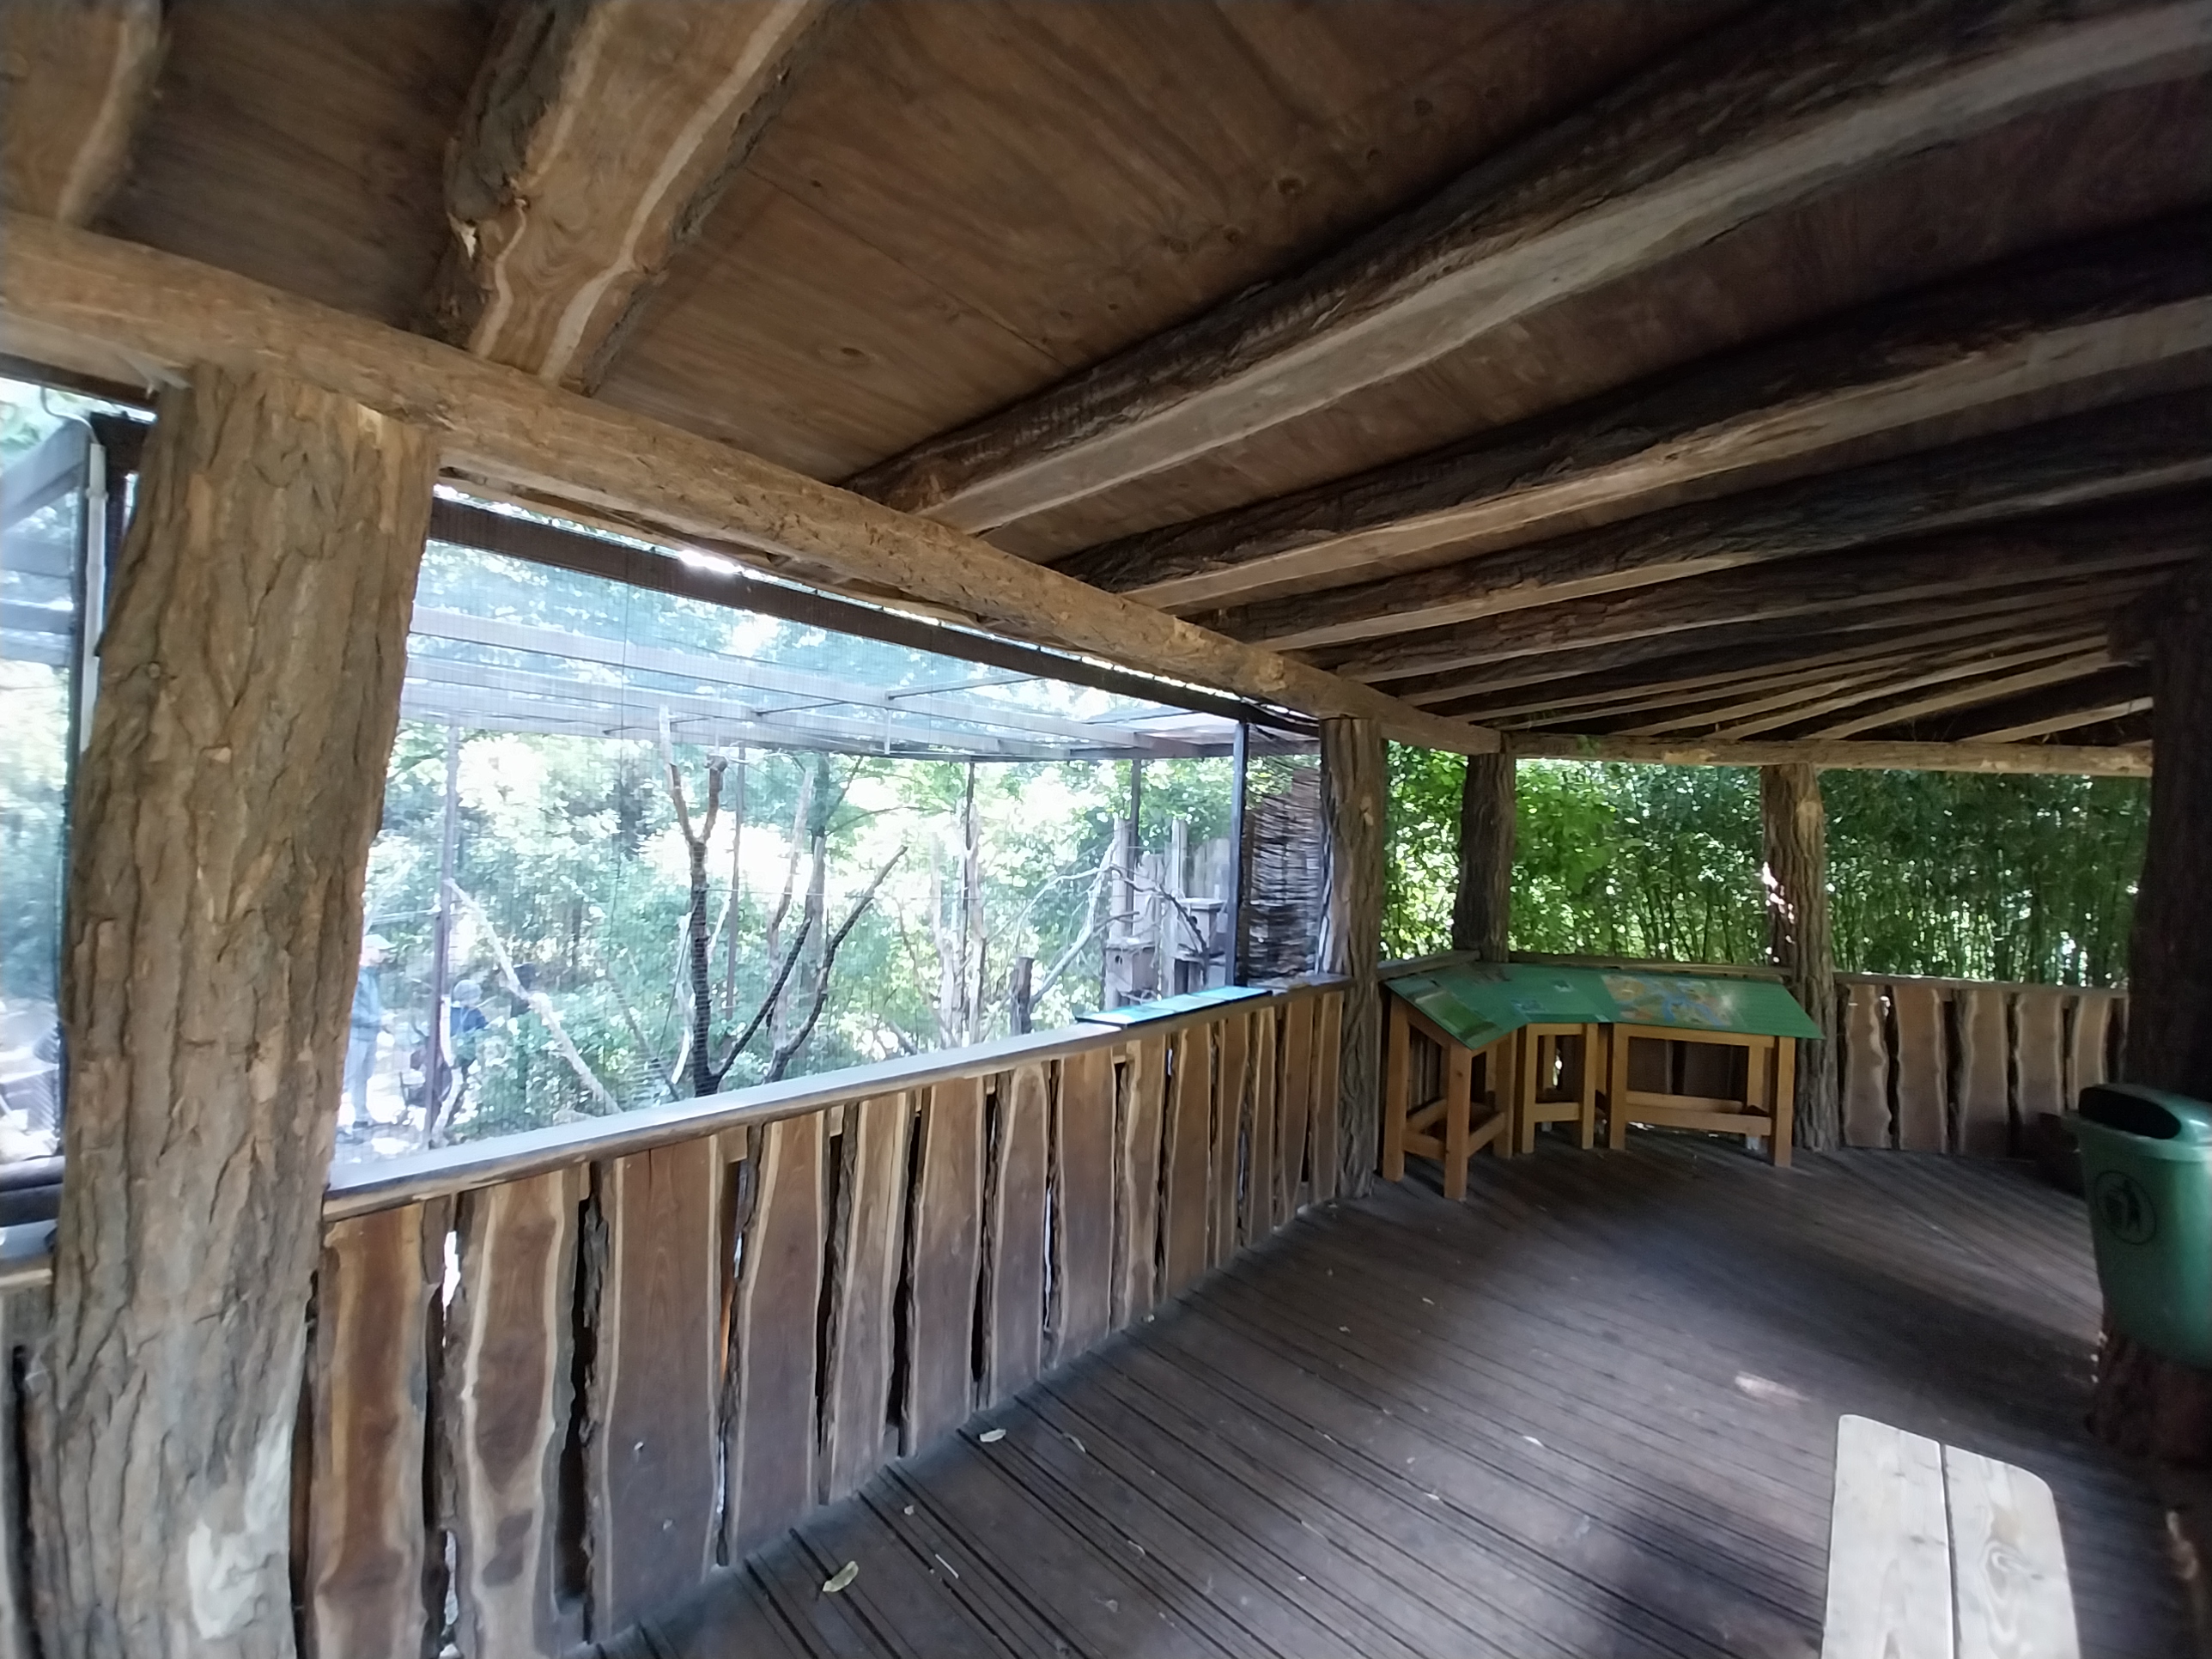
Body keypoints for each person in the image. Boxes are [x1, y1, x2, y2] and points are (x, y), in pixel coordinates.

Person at [343, 935, 390, 1130]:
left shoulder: (372, 975)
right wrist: (378, 1020)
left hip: (370, 1035)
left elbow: (371, 1005)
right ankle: (334, 1127)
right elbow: (350, 1009)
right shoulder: (355, 975)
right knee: (345, 1080)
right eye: (381, 950)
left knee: (363, 1078)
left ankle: (361, 1118)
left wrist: (384, 1016)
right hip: (354, 1036)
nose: (385, 954)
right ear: (367, 949)